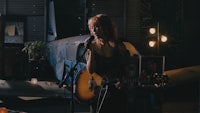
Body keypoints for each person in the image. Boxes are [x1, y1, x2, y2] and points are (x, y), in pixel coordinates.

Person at [83, 14, 138, 113]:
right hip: (98, 93)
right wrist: (91, 52)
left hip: (116, 92)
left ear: (107, 28)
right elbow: (90, 70)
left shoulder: (119, 46)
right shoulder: (92, 47)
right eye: (92, 28)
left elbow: (126, 68)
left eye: (97, 26)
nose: (94, 30)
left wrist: (123, 81)